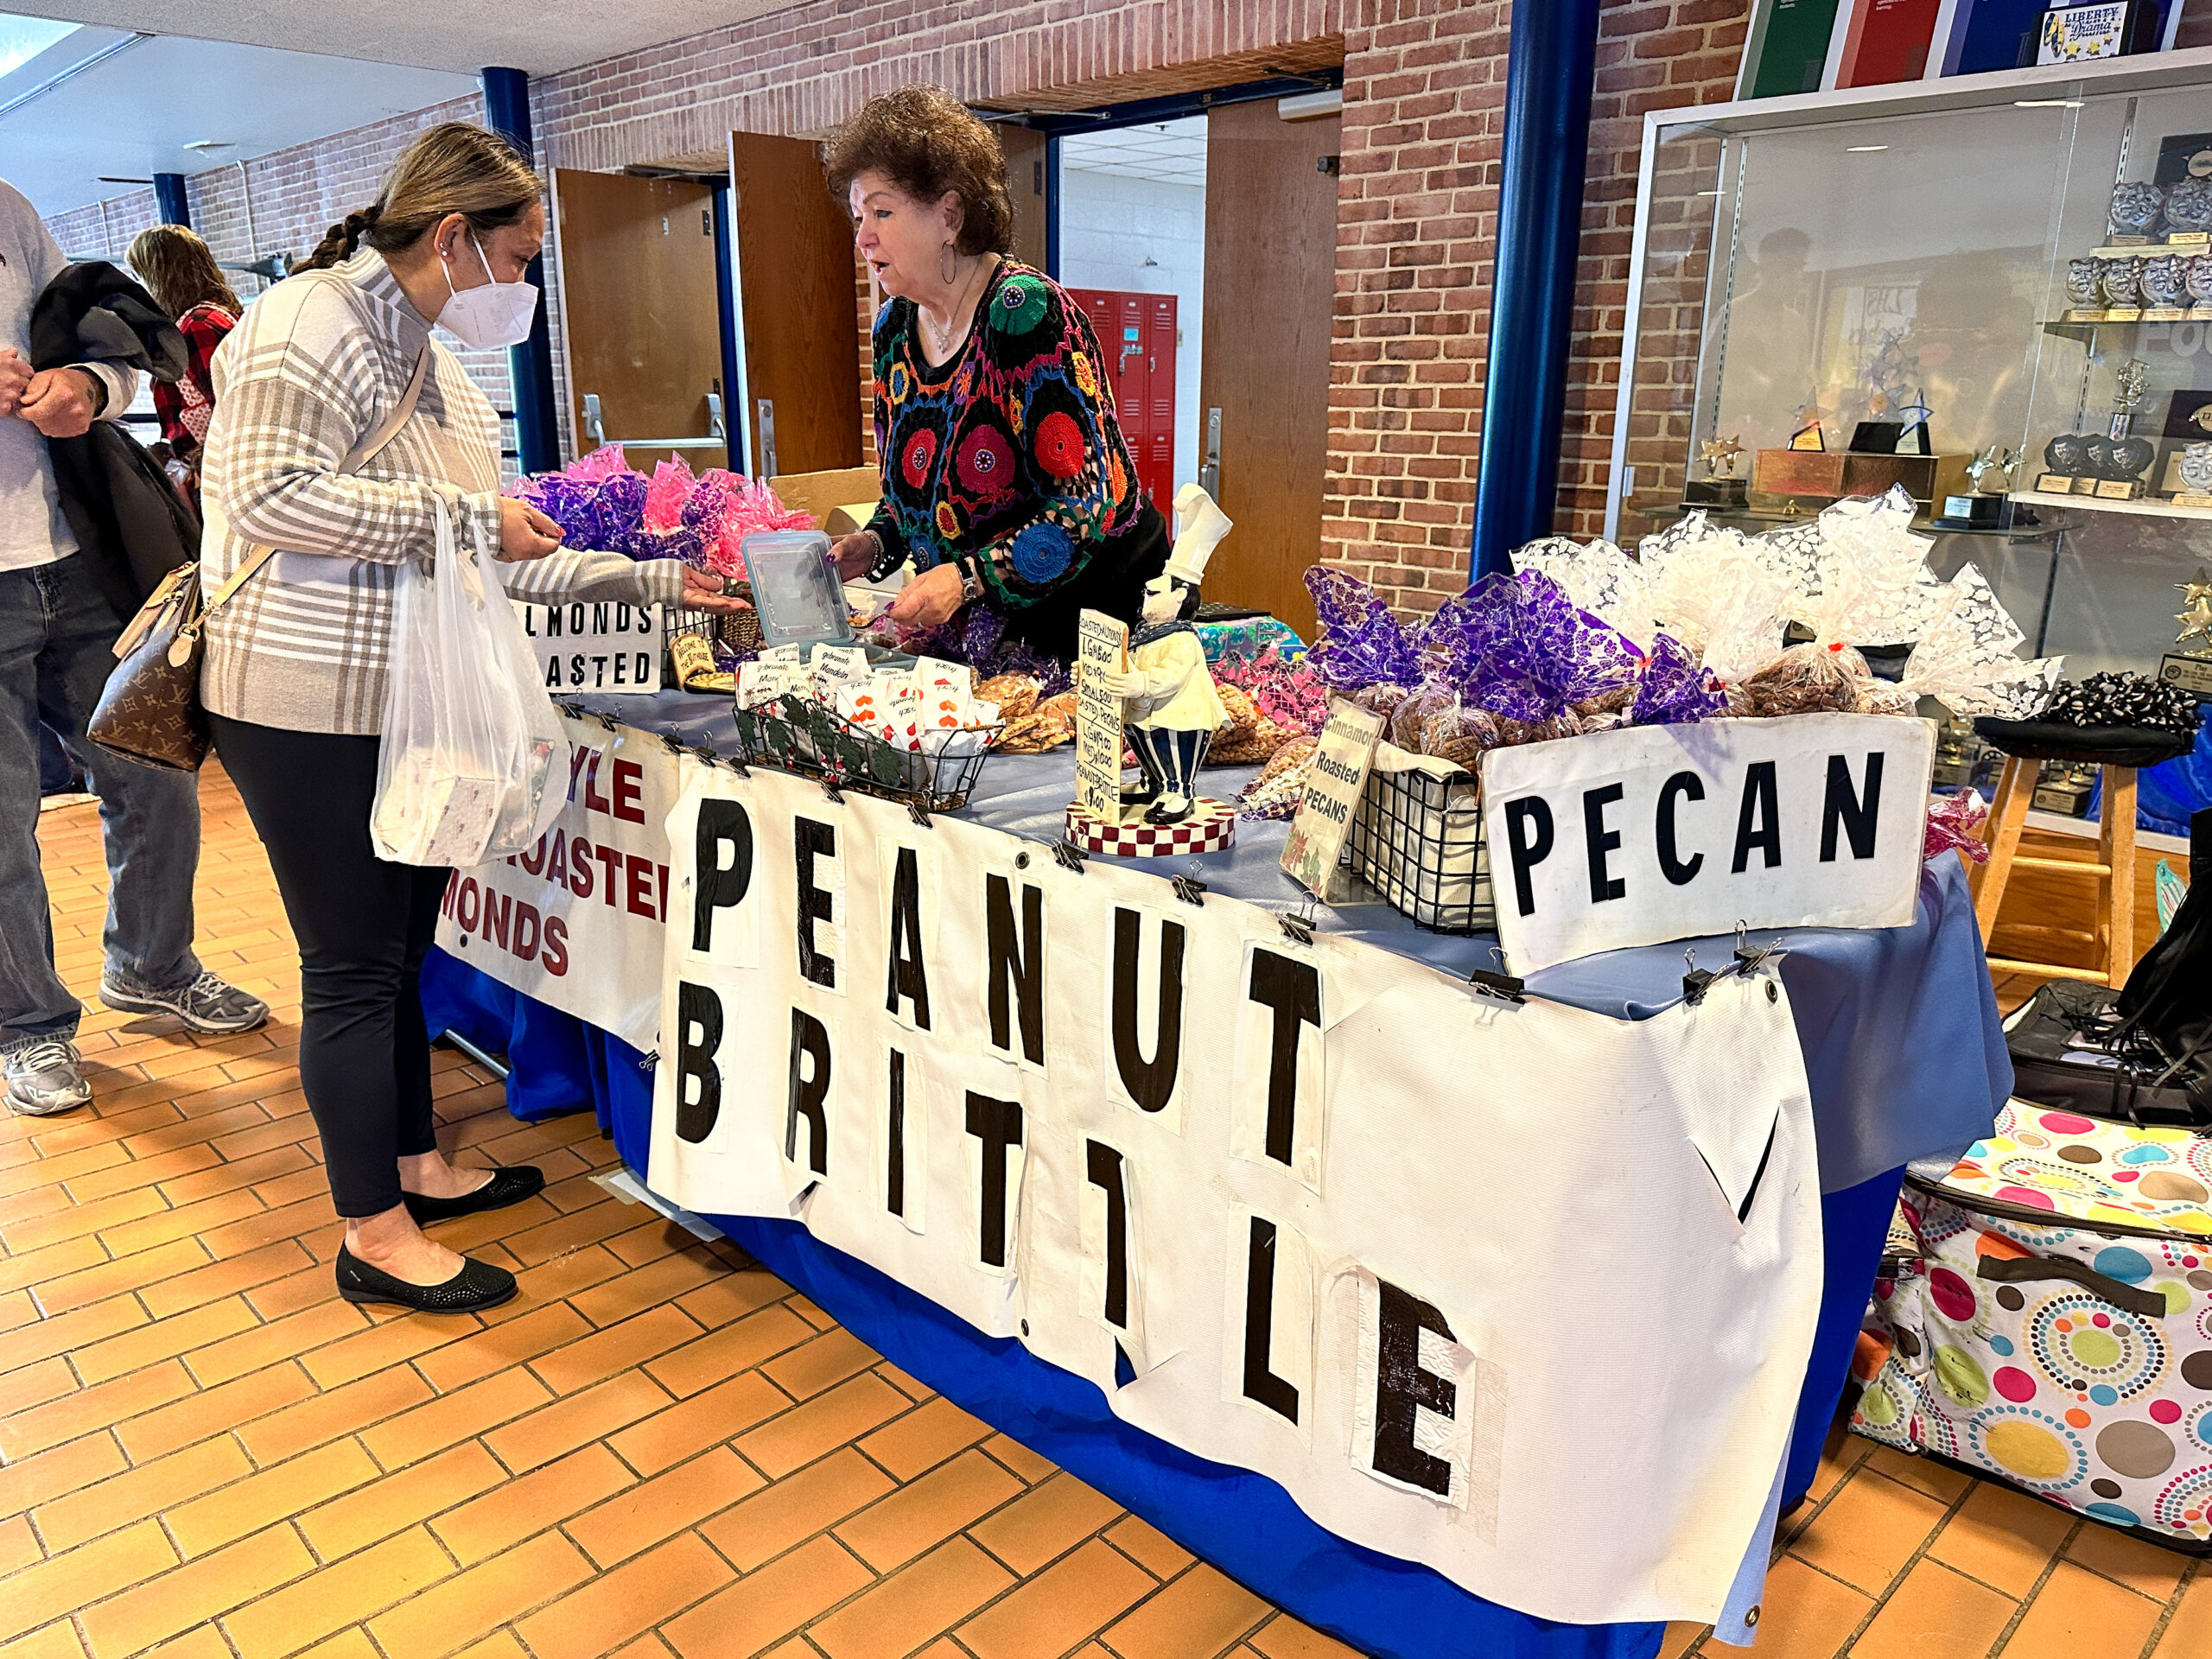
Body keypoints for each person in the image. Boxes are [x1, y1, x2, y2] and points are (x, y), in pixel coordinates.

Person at [199, 122, 742, 1314]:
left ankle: (415, 1166)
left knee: (402, 957)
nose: (526, 283)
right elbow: (263, 497)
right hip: (303, 704)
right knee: (351, 968)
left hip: (406, 701)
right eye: (523, 255)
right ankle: (373, 1235)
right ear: (453, 236)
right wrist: (460, 523)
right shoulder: (302, 324)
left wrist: (655, 582)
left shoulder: (436, 362)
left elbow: (498, 550)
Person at [2, 175, 269, 1118]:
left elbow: (104, 337)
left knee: (153, 772)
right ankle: (27, 1025)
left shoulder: (7, 207)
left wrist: (87, 387)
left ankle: (153, 966)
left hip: (80, 555)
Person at [823, 86, 1169, 662]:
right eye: (859, 217)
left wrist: (967, 578)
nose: (863, 237)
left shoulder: (1024, 314)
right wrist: (876, 540)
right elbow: (918, 492)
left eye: (882, 212)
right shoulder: (893, 328)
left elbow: (1083, 507)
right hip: (974, 625)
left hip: (1084, 614)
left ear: (950, 215)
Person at [127, 224, 241, 505]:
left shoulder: (197, 326)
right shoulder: (215, 316)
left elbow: (226, 411)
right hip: (219, 471)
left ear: (159, 276)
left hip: (218, 477)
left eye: (140, 276)